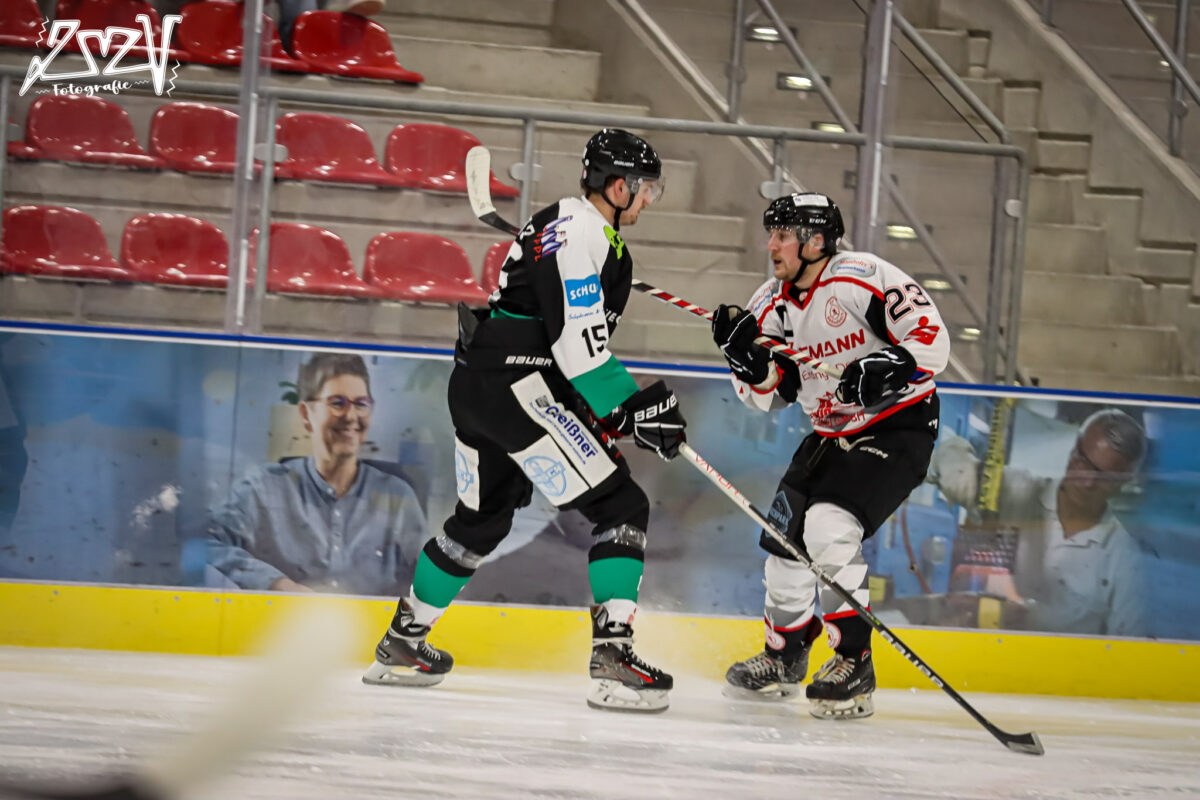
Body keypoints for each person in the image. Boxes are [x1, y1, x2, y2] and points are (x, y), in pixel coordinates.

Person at [362, 128, 687, 714]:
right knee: (622, 509)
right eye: (644, 190)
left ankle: (402, 644)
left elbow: (556, 332)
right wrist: (629, 406)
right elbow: (576, 346)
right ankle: (614, 657)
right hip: (522, 389)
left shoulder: (569, 229)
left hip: (482, 384)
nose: (647, 201)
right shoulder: (579, 231)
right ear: (618, 186)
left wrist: (610, 413)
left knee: (480, 521)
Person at [711, 192, 949, 719]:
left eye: (783, 234)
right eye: (770, 232)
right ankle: (786, 654)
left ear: (816, 241)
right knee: (784, 542)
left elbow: (933, 340)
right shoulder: (768, 303)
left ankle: (853, 660)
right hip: (828, 432)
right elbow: (771, 394)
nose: (771, 244)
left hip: (899, 426)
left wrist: (894, 364)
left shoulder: (863, 277)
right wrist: (748, 361)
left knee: (827, 524)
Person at [205, 353, 428, 596]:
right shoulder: (263, 489)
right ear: (306, 414)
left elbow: (430, 574)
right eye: (337, 402)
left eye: (361, 403)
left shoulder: (397, 497)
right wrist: (277, 584)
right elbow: (207, 543)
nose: (351, 416)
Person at [933, 408, 1148, 636]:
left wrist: (1023, 613)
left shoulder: (1124, 559)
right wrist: (962, 474)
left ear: (1124, 482)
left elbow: (1127, 650)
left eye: (1103, 478)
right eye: (1083, 462)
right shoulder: (1016, 490)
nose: (1086, 482)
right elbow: (943, 455)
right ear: (1075, 447)